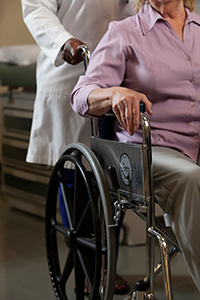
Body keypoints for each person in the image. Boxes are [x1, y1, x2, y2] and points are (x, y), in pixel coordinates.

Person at [71, 0, 200, 293]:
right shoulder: (125, 32)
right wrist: (113, 92)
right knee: (191, 179)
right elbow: (81, 95)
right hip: (151, 149)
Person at [21, 0, 136, 295]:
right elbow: (36, 8)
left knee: (118, 181)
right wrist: (64, 41)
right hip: (70, 74)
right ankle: (87, 266)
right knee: (76, 178)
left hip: (121, 78)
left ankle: (106, 264)